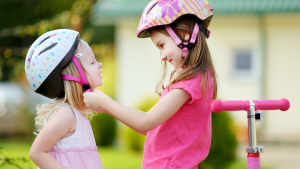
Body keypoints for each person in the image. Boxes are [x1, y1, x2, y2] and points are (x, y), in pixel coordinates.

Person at [84, 0, 217, 168]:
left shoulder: (190, 80)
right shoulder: (197, 76)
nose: (162, 55)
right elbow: (153, 127)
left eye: (162, 45)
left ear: (184, 34)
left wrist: (104, 101)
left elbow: (146, 122)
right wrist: (108, 108)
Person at [25, 29, 103, 169]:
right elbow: (37, 152)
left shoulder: (77, 112)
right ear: (74, 74)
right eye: (92, 62)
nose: (100, 64)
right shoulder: (66, 114)